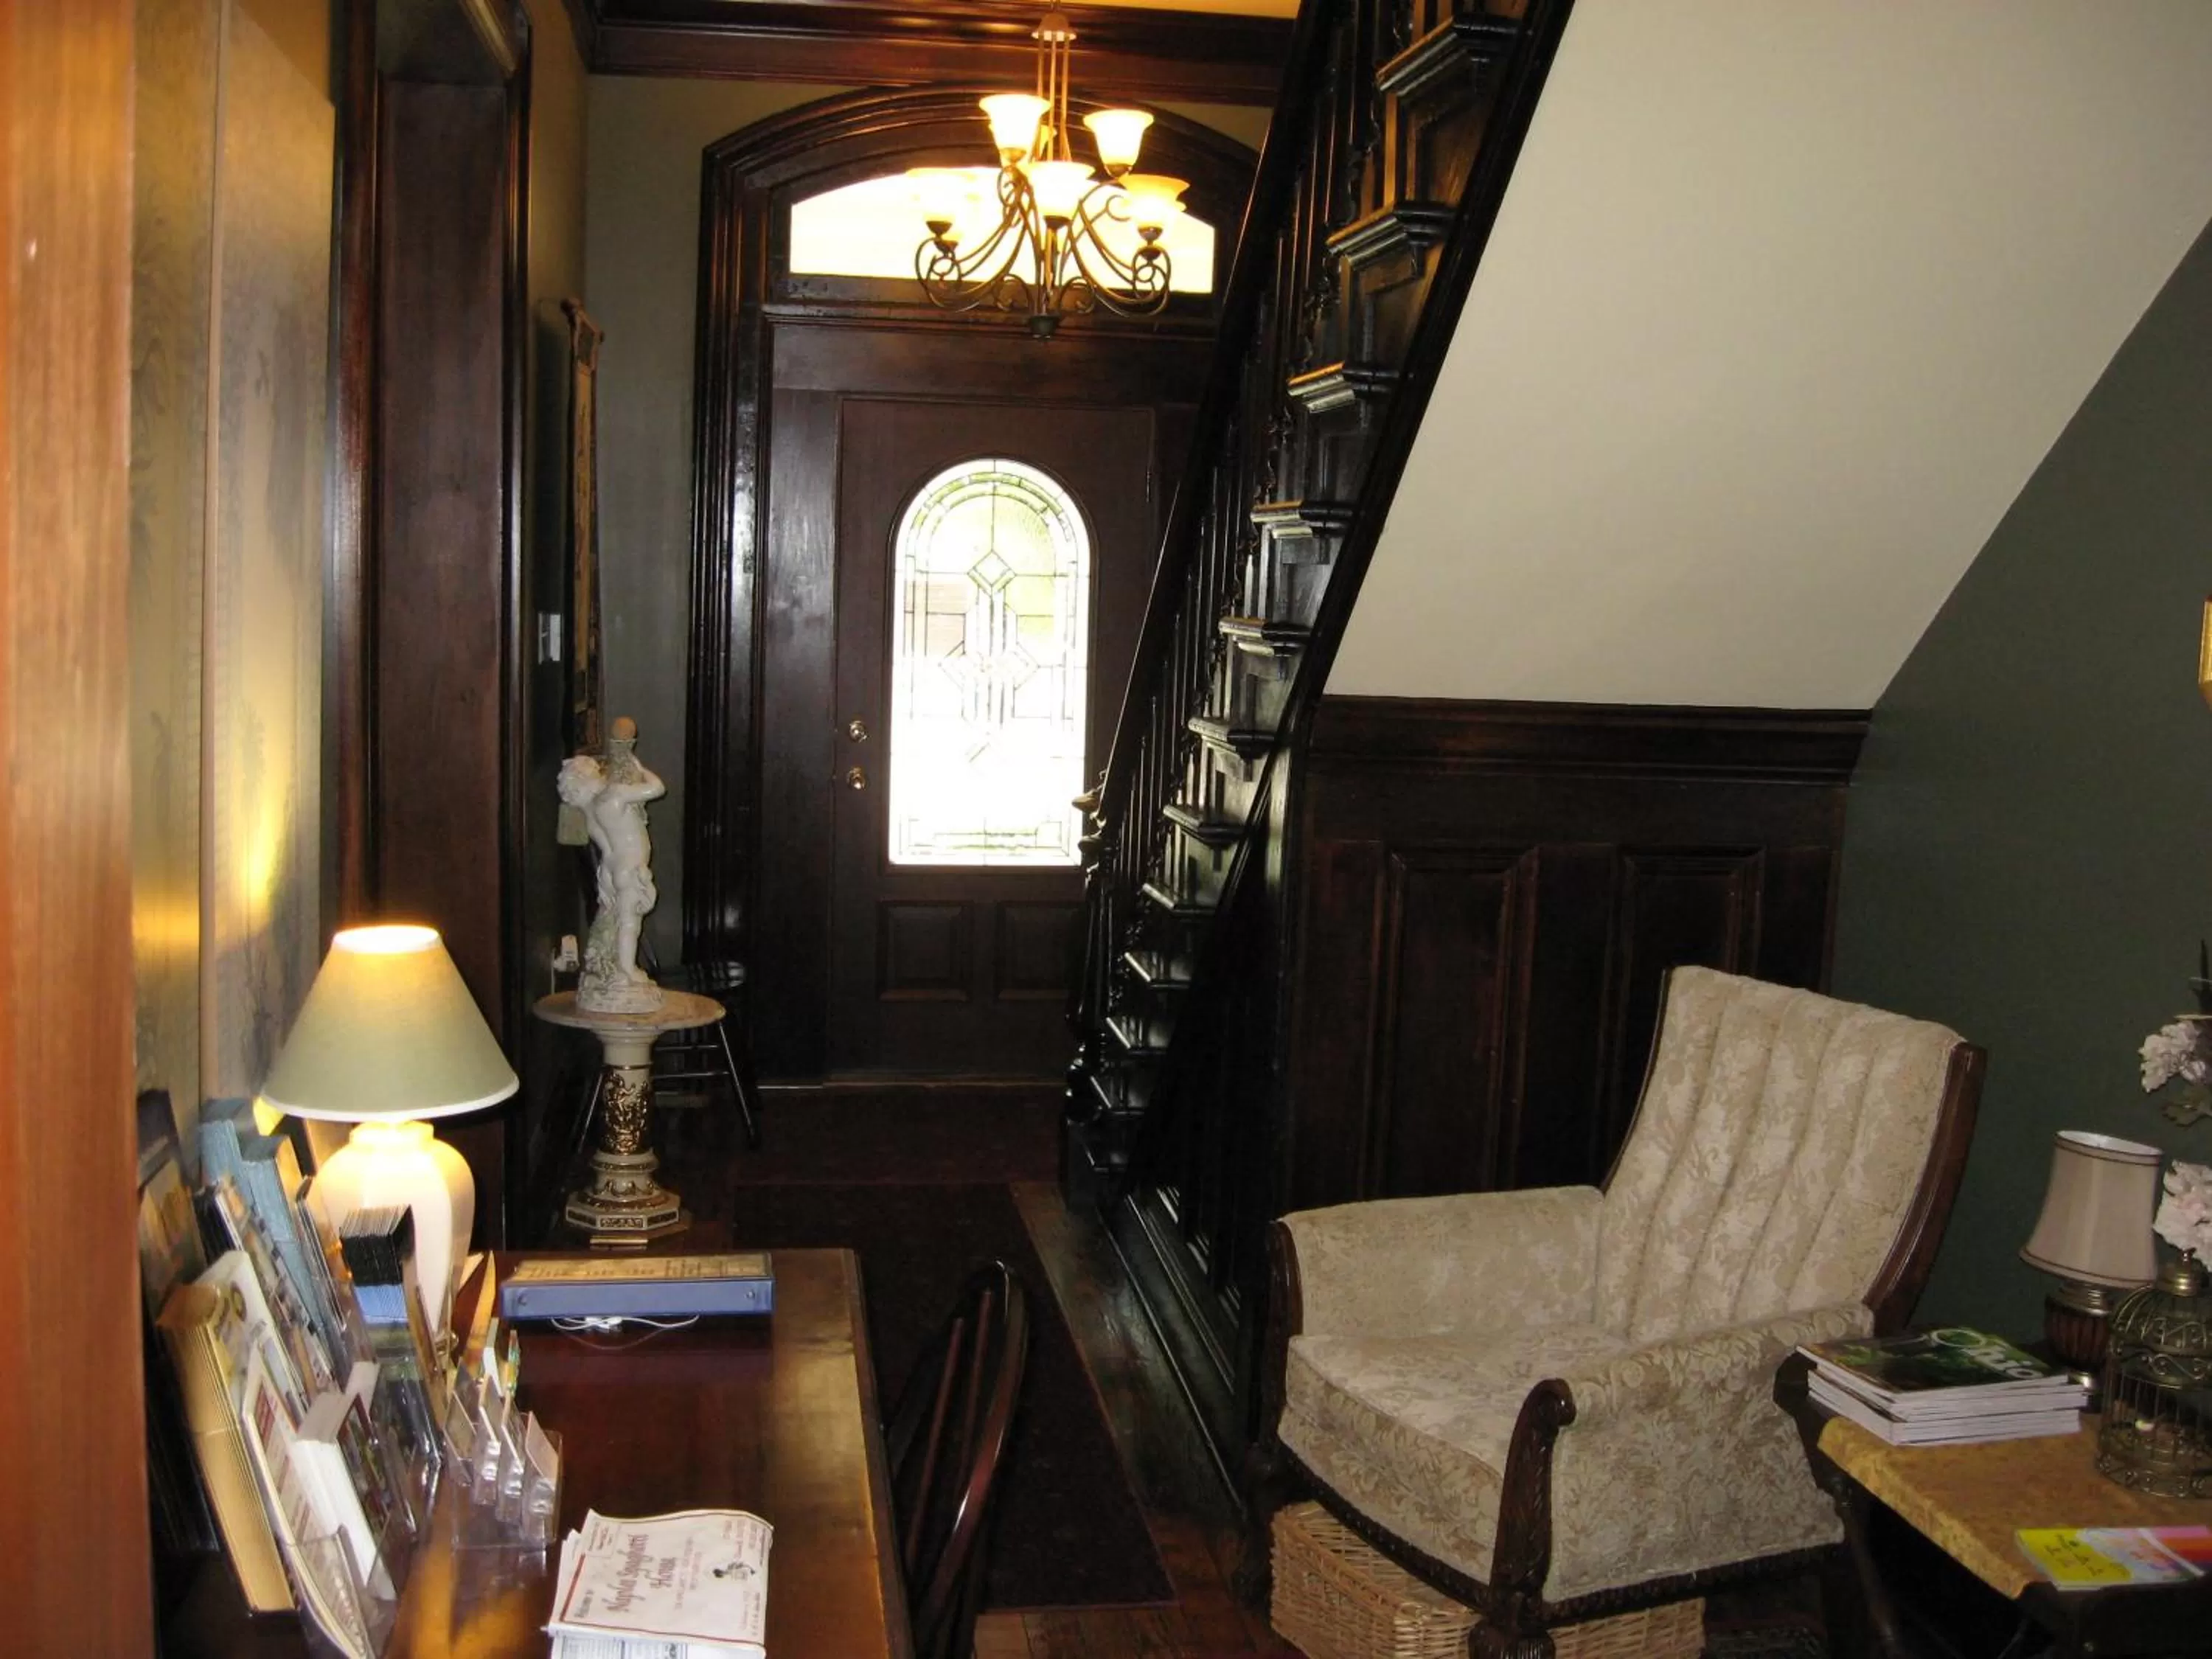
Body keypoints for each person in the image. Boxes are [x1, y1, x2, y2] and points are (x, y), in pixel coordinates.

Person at [558, 717, 666, 1010]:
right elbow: (657, 788)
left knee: (620, 919)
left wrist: (605, 876)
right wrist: (638, 766)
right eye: (597, 770)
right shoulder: (614, 795)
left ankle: (621, 970)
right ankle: (626, 971)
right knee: (630, 921)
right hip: (630, 866)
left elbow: (605, 849)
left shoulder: (589, 810)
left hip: (612, 867)